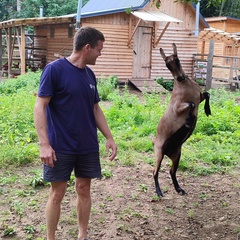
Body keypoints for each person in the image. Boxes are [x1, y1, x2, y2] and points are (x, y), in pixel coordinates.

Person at [34, 26, 117, 240]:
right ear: (87, 48)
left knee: (83, 189)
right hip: (60, 145)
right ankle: (50, 237)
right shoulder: (55, 70)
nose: (101, 53)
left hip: (86, 145)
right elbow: (40, 106)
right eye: (99, 49)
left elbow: (95, 109)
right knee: (57, 193)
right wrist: (44, 144)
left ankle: (82, 236)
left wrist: (109, 137)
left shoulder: (89, 75)